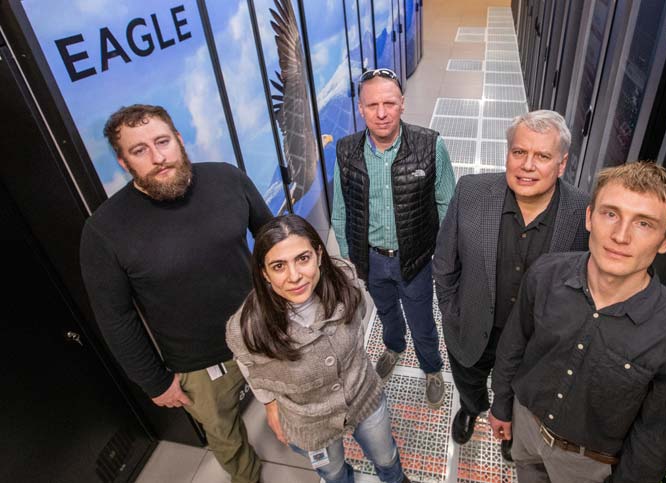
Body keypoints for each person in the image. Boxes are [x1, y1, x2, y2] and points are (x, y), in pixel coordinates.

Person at [79, 104, 271, 483]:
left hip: (263, 331)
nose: (157, 157)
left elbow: (272, 241)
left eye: (162, 141)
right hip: (198, 364)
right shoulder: (104, 232)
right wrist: (153, 380)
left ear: (179, 140)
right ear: (124, 163)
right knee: (224, 436)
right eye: (139, 150)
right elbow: (116, 317)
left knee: (295, 403)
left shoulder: (227, 179)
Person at [489, 162, 666, 483]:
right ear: (589, 217)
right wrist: (501, 404)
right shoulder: (545, 274)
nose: (621, 235)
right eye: (610, 214)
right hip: (526, 428)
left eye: (644, 224)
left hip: (588, 466)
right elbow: (514, 345)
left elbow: (654, 438)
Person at [433, 110, 589, 461]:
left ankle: (510, 429)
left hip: (534, 341)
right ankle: (471, 408)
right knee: (469, 380)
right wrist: (452, 311)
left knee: (520, 395)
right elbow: (444, 262)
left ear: (561, 165)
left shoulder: (583, 213)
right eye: (519, 152)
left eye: (542, 156)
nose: (527, 165)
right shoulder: (471, 192)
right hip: (472, 325)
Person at [226, 215, 411, 483]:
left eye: (303, 258)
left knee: (386, 456)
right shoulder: (249, 327)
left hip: (363, 395)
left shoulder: (345, 281)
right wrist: (269, 405)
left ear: (319, 255)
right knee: (332, 472)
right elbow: (249, 364)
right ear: (264, 273)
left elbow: (360, 312)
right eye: (279, 266)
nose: (295, 276)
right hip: (308, 420)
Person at [331, 68, 456, 408]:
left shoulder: (431, 145)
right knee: (385, 311)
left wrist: (443, 259)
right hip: (370, 259)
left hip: (413, 259)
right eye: (372, 105)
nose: (381, 113)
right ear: (360, 109)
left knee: (422, 320)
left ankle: (431, 368)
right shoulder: (345, 151)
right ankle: (394, 347)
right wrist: (348, 262)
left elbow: (448, 205)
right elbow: (341, 212)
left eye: (389, 103)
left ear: (403, 103)